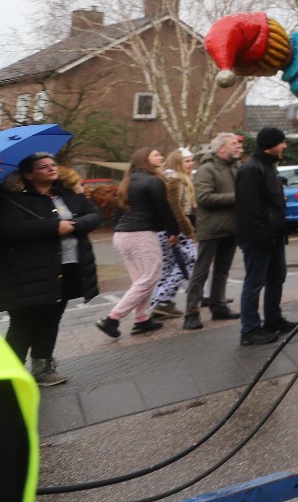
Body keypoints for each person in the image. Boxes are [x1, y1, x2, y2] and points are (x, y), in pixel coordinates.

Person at [0, 153, 102, 386]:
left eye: (53, 164)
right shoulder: (13, 199)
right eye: (42, 167)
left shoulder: (68, 193)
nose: (50, 168)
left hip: (67, 267)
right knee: (24, 322)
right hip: (28, 272)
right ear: (28, 174)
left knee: (52, 318)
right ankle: (9, 374)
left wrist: (76, 225)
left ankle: (42, 368)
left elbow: (95, 215)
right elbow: (11, 229)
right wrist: (53, 227)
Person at [96, 148, 178, 339]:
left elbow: (118, 212)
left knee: (142, 281)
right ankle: (112, 319)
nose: (161, 157)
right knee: (150, 278)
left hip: (122, 235)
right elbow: (164, 209)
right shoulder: (153, 180)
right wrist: (173, 231)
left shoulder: (127, 181)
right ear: (144, 159)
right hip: (141, 235)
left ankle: (141, 319)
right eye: (156, 155)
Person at [235, 128, 296, 346]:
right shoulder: (252, 169)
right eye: (282, 142)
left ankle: (273, 319)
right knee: (255, 283)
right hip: (259, 238)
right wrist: (262, 238)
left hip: (273, 234)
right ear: (271, 144)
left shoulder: (268, 166)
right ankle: (250, 330)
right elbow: (249, 209)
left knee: (276, 278)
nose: (285, 146)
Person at [185, 133, 242, 330]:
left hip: (231, 226)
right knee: (201, 271)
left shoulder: (236, 167)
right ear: (221, 149)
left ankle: (218, 306)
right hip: (211, 227)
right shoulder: (206, 169)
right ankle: (191, 313)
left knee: (223, 269)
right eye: (233, 144)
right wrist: (237, 197)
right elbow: (203, 197)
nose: (237, 147)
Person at [149, 148, 198, 320]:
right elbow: (175, 208)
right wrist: (186, 228)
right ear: (177, 163)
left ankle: (160, 303)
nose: (191, 164)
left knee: (169, 267)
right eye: (187, 161)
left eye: (191, 160)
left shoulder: (178, 179)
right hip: (175, 230)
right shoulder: (174, 180)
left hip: (168, 230)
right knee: (191, 260)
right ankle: (162, 300)